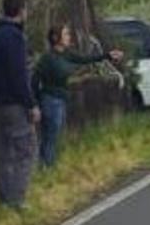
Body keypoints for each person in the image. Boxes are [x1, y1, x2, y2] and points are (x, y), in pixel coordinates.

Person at [33, 24, 123, 167]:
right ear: (56, 38)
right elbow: (35, 80)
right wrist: (35, 104)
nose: (69, 37)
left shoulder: (66, 54)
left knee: (55, 135)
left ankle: (48, 164)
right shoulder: (48, 58)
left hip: (61, 98)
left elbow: (84, 59)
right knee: (49, 135)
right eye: (66, 34)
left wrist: (106, 56)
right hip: (50, 99)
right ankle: (45, 166)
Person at [0, 0, 39, 208]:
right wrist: (31, 103)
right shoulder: (15, 38)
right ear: (21, 11)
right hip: (15, 104)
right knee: (24, 150)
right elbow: (19, 75)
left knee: (0, 153)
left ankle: (1, 199)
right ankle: (16, 199)